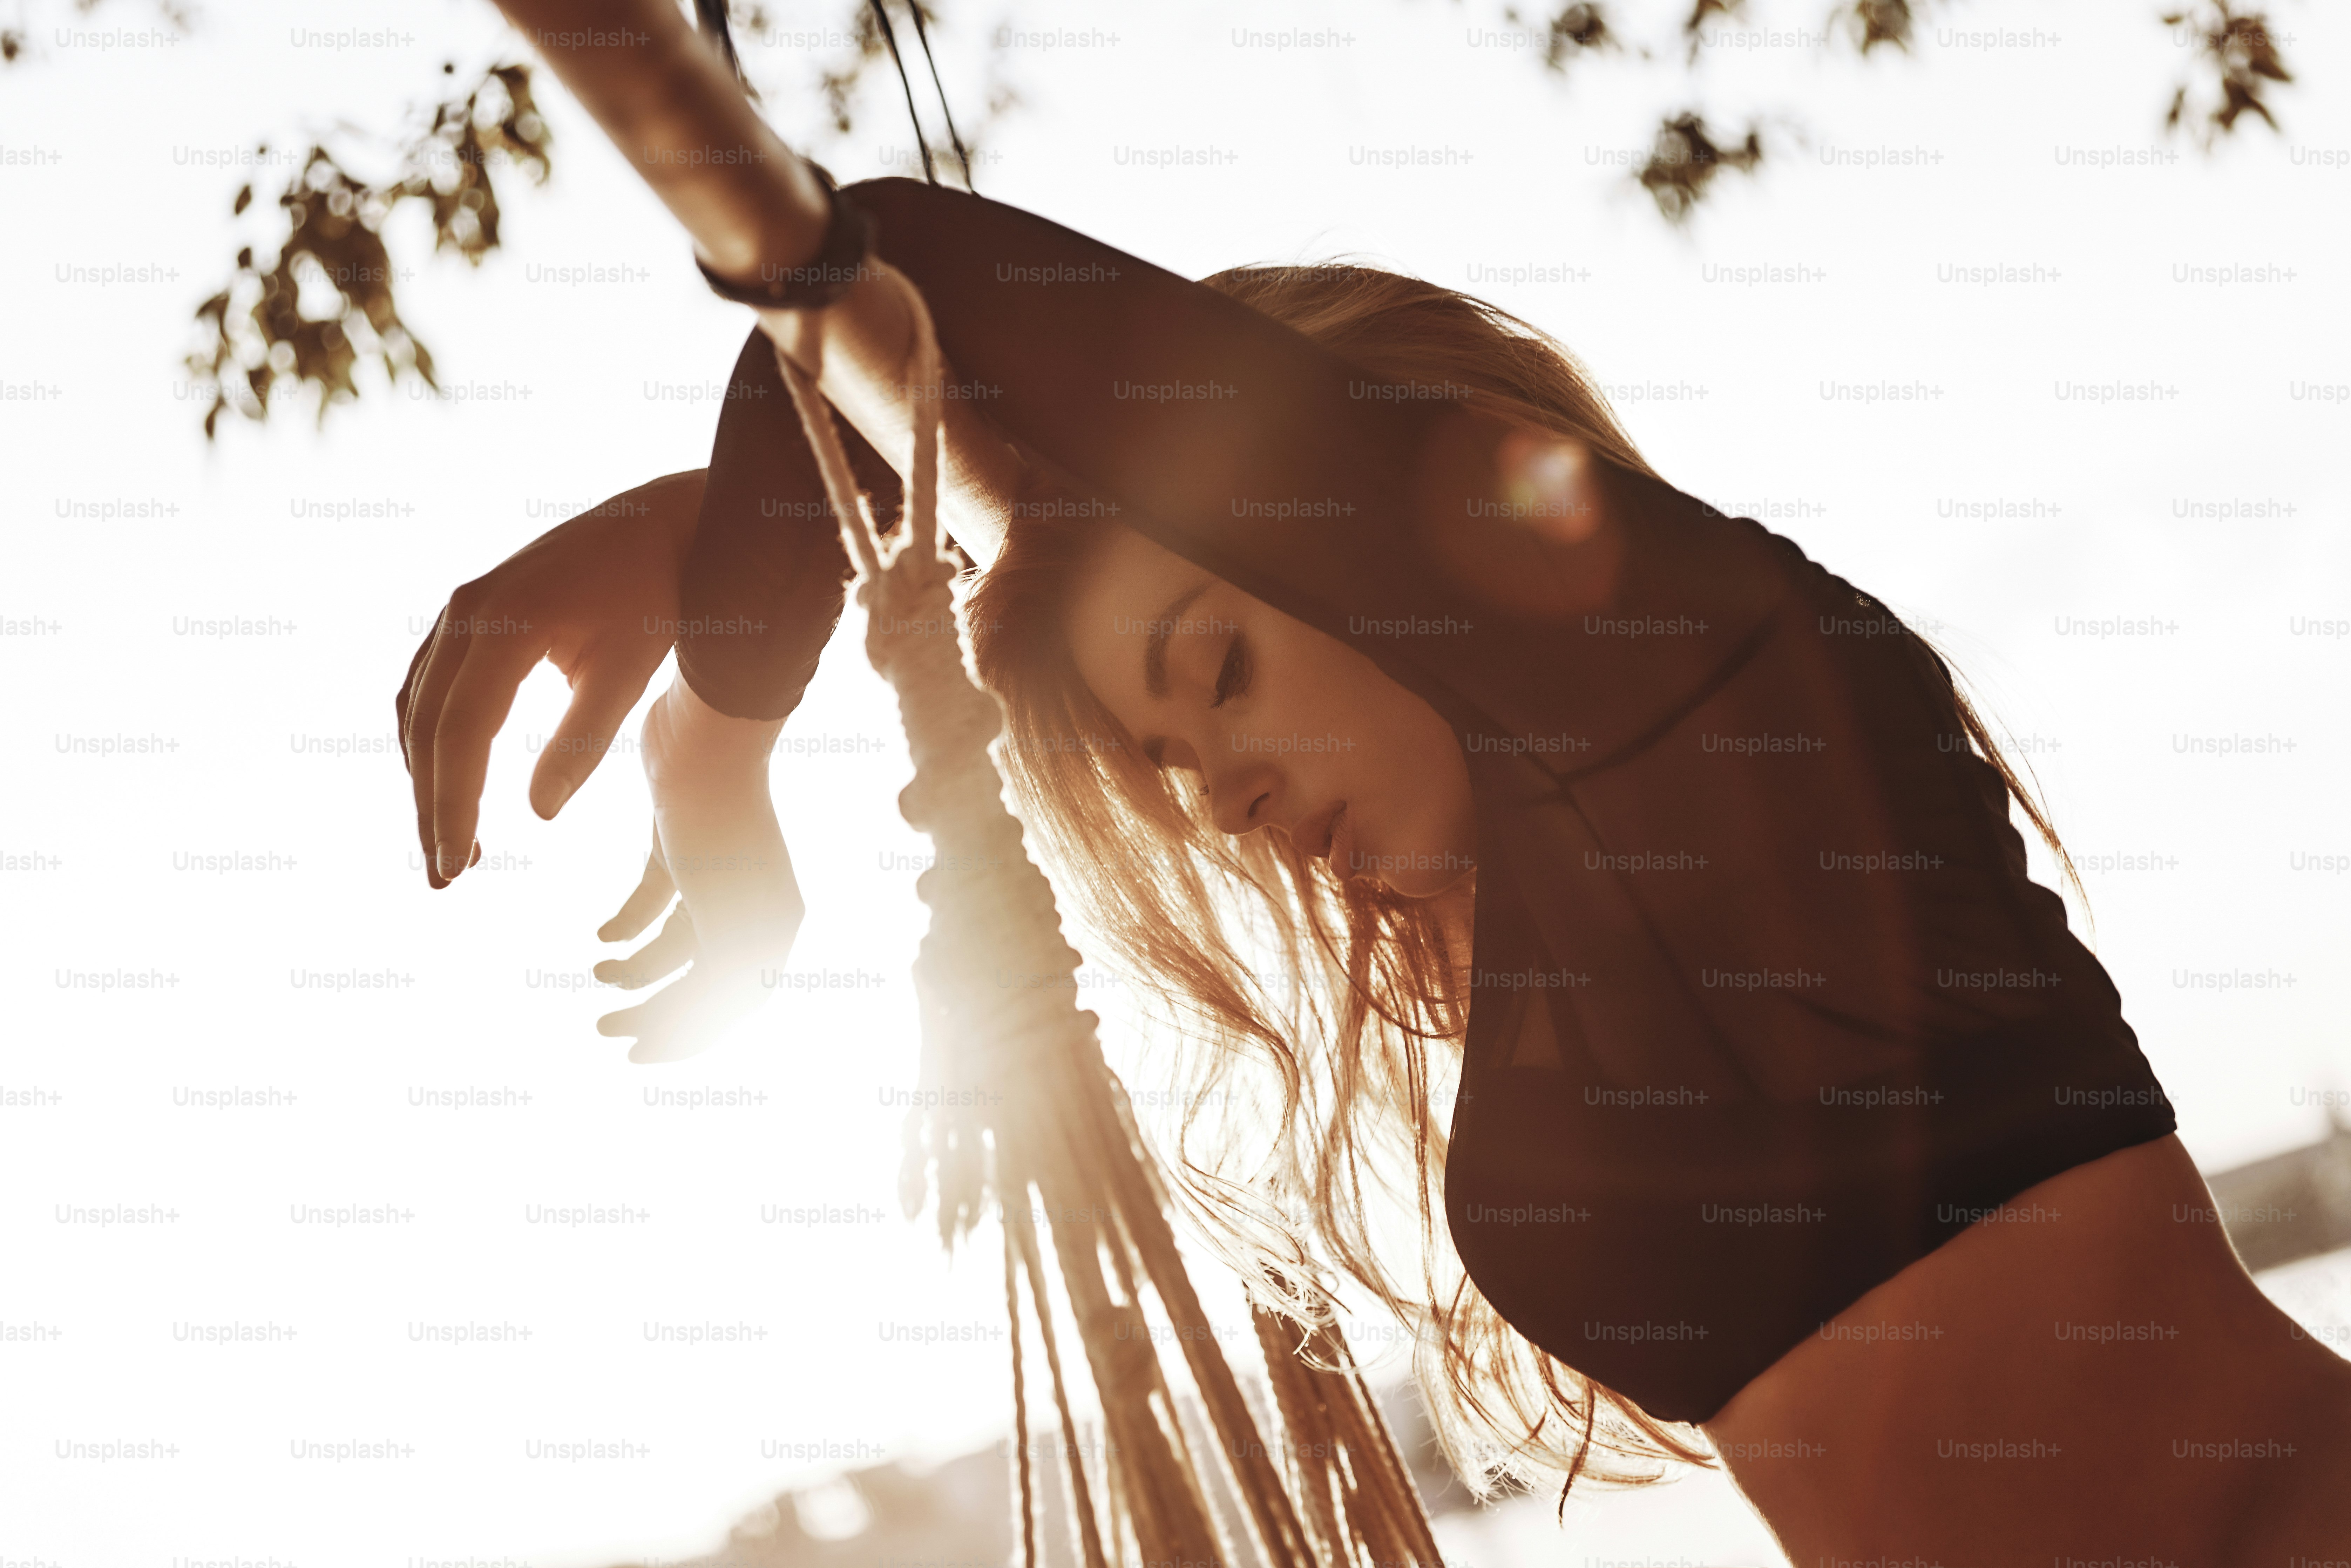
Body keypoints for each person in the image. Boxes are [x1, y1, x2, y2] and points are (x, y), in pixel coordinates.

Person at [395, 162, 2351, 1568]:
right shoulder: (1550, 936)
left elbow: (899, 270)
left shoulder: (1725, 691)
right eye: (1167, 760)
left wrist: (714, 730)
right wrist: (749, 528)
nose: (1213, 791)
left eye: (1219, 675)